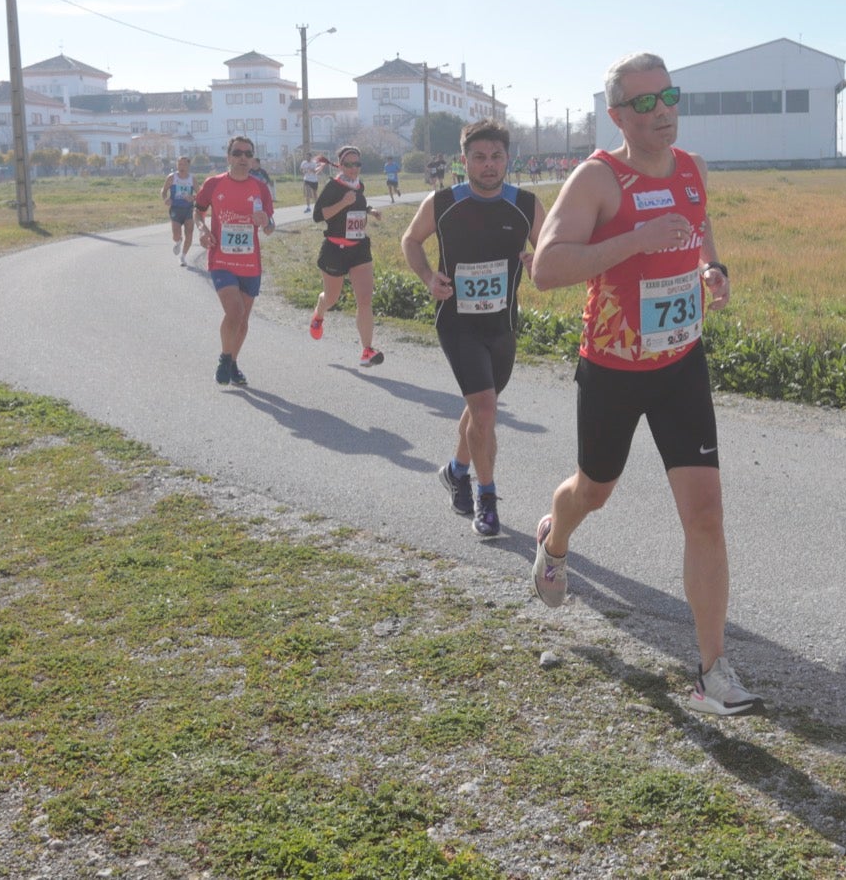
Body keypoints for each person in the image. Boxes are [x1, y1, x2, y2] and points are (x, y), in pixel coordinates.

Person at [528, 51, 758, 717]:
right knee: (592, 490)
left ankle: (712, 671)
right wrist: (636, 240)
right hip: (614, 367)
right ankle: (554, 540)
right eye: (645, 103)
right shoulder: (598, 179)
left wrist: (710, 267)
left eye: (670, 98)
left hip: (681, 361)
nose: (663, 112)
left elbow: (698, 222)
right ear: (617, 115)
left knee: (706, 513)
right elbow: (546, 268)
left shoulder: (691, 169)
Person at [401, 119, 545, 538]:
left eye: (496, 157)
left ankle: (456, 470)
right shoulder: (444, 201)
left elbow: (551, 249)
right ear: (464, 161)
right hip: (457, 323)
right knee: (485, 410)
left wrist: (541, 262)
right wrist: (429, 277)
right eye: (479, 157)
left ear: (507, 160)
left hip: (502, 324)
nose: (488, 165)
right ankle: (487, 498)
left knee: (479, 410)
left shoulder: (526, 203)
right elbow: (411, 241)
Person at [194, 137, 274, 387]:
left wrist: (265, 222)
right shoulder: (213, 184)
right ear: (228, 157)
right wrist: (202, 229)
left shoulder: (260, 188)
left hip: (250, 263)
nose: (242, 157)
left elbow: (271, 227)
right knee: (234, 311)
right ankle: (224, 358)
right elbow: (198, 210)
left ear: (252, 159)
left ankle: (233, 363)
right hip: (222, 259)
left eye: (247, 154)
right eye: (237, 153)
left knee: (243, 320)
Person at [309, 144, 385, 367]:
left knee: (365, 300)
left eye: (357, 164)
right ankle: (319, 314)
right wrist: (343, 202)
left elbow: (357, 204)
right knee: (331, 298)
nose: (353, 168)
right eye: (349, 164)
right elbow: (317, 216)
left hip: (359, 248)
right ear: (340, 165)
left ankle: (367, 350)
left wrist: (370, 211)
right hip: (335, 250)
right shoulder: (334, 186)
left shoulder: (358, 185)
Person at [162, 156, 197, 266]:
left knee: (189, 233)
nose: (182, 167)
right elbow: (164, 190)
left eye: (184, 164)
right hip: (176, 209)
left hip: (188, 209)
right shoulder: (172, 177)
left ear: (188, 166)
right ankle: (178, 240)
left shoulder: (192, 179)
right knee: (176, 235)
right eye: (180, 164)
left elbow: (200, 193)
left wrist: (193, 197)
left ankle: (183, 256)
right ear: (177, 165)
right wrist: (165, 198)